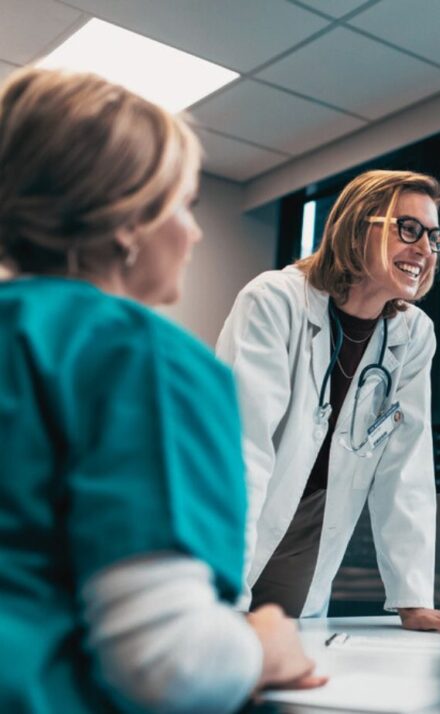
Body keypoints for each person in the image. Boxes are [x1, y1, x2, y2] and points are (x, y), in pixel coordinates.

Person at [0, 67, 325, 713]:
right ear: (127, 219)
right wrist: (263, 643)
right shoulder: (133, 354)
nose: (194, 232)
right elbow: (171, 667)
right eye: (183, 203)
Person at [217, 170, 440, 632]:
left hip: (314, 519)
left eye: (434, 237)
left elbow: (406, 467)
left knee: (285, 668)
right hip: (240, 508)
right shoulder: (275, 300)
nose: (424, 249)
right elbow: (241, 450)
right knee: (212, 653)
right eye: (408, 229)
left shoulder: (413, 334)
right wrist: (222, 591)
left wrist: (413, 598)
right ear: (356, 226)